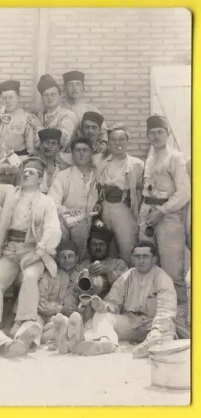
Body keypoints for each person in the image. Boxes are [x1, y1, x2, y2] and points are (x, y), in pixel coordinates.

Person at [0, 156, 62, 338]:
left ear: (40, 179)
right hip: (10, 250)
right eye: (24, 171)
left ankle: (22, 324)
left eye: (31, 172)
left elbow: (54, 230)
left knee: (30, 276)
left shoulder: (47, 201)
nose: (25, 174)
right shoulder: (9, 193)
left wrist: (38, 253)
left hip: (33, 250)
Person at [53, 242, 177, 358]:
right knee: (101, 315)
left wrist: (156, 330)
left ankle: (151, 344)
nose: (141, 260)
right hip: (132, 322)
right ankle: (106, 342)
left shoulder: (162, 278)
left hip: (153, 324)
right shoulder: (127, 276)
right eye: (137, 256)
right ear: (132, 258)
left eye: (145, 256)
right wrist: (102, 306)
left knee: (163, 333)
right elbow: (113, 301)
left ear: (154, 259)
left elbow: (166, 311)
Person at [138, 115, 190, 336]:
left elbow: (184, 193)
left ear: (167, 134)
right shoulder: (150, 158)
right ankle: (155, 319)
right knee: (149, 266)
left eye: (160, 132)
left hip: (168, 217)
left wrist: (163, 211)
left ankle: (180, 324)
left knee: (172, 272)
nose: (156, 136)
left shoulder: (176, 158)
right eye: (152, 132)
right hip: (149, 215)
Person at [94, 124, 144, 265]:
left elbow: (141, 191)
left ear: (128, 141)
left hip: (124, 210)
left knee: (127, 250)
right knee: (109, 251)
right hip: (104, 210)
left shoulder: (136, 164)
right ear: (108, 142)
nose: (117, 143)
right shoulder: (100, 162)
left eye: (121, 139)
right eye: (113, 140)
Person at [47, 137, 99, 261]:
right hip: (70, 222)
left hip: (94, 220)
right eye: (77, 150)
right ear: (72, 153)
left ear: (91, 153)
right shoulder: (63, 176)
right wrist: (66, 210)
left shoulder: (98, 174)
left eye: (85, 150)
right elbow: (51, 201)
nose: (81, 154)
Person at [36, 240, 81, 348]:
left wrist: (80, 309)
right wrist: (60, 309)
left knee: (73, 323)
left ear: (76, 258)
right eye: (63, 257)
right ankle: (62, 339)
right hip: (48, 320)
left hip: (73, 320)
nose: (67, 260)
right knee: (43, 325)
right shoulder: (50, 276)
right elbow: (39, 303)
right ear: (57, 258)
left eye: (70, 256)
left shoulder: (81, 277)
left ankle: (62, 340)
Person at [0, 80, 37, 162]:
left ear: (18, 98)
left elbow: (31, 151)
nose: (7, 101)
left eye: (11, 97)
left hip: (19, 162)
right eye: (4, 98)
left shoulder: (26, 118)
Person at [32, 74, 79, 150]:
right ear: (42, 98)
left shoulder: (67, 115)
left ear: (59, 96)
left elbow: (64, 140)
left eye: (53, 94)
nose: (49, 98)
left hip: (61, 158)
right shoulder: (39, 115)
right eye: (46, 95)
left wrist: (39, 127)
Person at [62, 71, 108, 143]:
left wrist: (103, 143)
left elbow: (103, 133)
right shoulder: (60, 110)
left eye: (78, 84)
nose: (74, 88)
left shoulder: (92, 109)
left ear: (83, 88)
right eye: (71, 84)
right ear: (65, 88)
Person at [36, 128, 66, 193]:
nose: (50, 146)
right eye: (47, 142)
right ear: (40, 145)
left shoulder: (61, 169)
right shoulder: (33, 165)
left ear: (58, 148)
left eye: (54, 143)